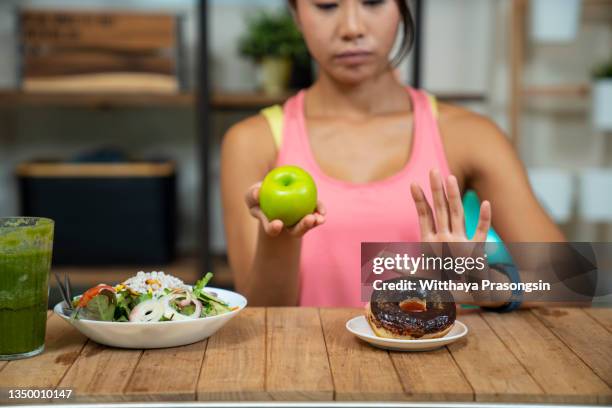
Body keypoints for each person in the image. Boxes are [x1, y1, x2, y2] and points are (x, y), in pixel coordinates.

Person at [220, 0, 565, 307]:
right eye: (326, 6)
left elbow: (568, 280)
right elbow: (259, 316)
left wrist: (484, 282)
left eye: (373, 2)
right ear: (295, 12)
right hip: (306, 374)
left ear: (401, 7)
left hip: (433, 374)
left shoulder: (470, 136)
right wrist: (279, 236)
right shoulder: (252, 143)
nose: (352, 28)